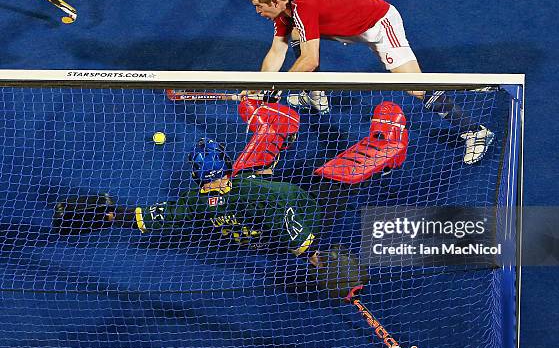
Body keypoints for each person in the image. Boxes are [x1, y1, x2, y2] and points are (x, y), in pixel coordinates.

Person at [51, 99, 409, 300]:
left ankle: (276, 128)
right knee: (336, 177)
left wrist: (110, 215)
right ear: (222, 167)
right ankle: (387, 142)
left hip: (254, 236)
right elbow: (290, 205)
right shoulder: (252, 189)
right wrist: (314, 256)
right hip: (302, 220)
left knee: (253, 173)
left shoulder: (195, 200)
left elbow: (151, 216)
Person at [242, 0, 495, 165]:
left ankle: (475, 131)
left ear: (275, 1)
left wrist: (276, 88)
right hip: (348, 25)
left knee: (415, 88)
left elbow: (310, 60)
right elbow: (277, 51)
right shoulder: (287, 10)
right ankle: (315, 93)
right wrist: (260, 87)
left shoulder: (303, 7)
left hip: (379, 25)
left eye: (259, 6)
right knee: (297, 34)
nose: (257, 11)